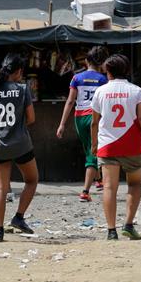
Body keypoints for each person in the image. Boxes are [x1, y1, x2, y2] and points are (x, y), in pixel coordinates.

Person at [91, 54, 141, 241]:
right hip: (132, 145)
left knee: (109, 188)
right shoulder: (136, 91)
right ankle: (128, 224)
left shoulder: (100, 92)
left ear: (108, 71)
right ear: (126, 70)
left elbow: (94, 123)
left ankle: (111, 231)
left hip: (107, 145)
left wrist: (94, 144)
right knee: (134, 184)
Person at [0, 54, 38, 243]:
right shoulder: (22, 90)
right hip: (21, 144)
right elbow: (31, 119)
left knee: (1, 188)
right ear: (19, 71)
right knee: (31, 180)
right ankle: (19, 217)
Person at [56, 45, 109, 203]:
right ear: (101, 63)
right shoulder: (103, 80)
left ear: (86, 61)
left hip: (79, 118)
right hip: (96, 118)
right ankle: (85, 191)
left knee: (89, 146)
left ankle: (98, 179)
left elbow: (70, 101)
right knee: (93, 152)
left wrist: (62, 124)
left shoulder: (77, 78)